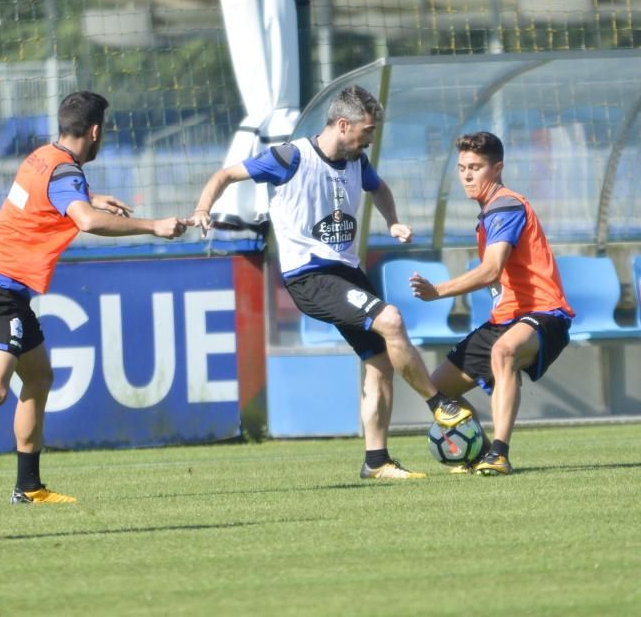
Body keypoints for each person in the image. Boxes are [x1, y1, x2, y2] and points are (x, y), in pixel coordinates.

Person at [0, 91, 187, 504]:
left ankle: (28, 487)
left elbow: (45, 199)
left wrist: (91, 197)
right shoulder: (66, 173)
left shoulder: (42, 157)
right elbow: (84, 222)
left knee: (39, 377)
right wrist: (153, 225)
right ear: (96, 131)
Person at [187, 84, 471, 480]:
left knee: (379, 363)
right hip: (310, 275)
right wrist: (203, 208)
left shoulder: (357, 160)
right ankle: (439, 403)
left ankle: (377, 462)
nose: (370, 138)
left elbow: (379, 188)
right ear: (342, 124)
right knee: (390, 320)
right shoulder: (290, 157)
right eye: (367, 130)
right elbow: (225, 174)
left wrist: (393, 221)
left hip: (346, 272)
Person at [409, 132, 573, 476]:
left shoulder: (506, 206)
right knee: (438, 392)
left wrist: (437, 291)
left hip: (543, 313)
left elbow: (490, 270)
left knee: (504, 352)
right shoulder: (487, 212)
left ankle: (499, 453)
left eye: (476, 167)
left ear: (496, 169)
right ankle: (480, 452)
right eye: (462, 167)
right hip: (505, 318)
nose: (467, 175)